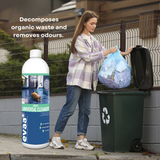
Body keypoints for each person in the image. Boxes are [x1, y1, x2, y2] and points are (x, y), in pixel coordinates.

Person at [50, 10, 133, 150]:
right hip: (76, 80)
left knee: (85, 111)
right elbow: (88, 57)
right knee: (69, 109)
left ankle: (81, 140)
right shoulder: (79, 40)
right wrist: (107, 52)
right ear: (84, 23)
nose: (94, 26)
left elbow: (106, 52)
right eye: (92, 23)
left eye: (95, 23)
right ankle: (56, 137)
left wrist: (123, 53)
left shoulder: (93, 40)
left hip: (88, 81)